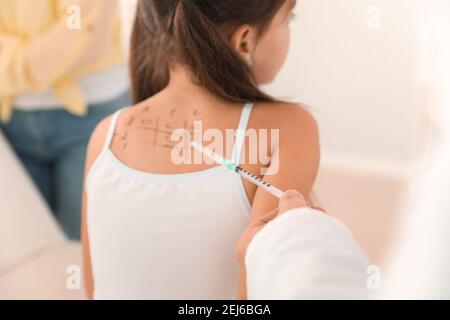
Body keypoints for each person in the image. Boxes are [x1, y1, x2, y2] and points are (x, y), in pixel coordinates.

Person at [82, 0, 320, 299]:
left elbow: (93, 291)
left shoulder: (106, 134)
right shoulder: (289, 128)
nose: (290, 27)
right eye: (289, 18)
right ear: (244, 40)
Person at [0, 0, 130, 239]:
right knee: (29, 244)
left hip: (90, 114)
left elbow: (84, 29)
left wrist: (14, 68)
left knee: (85, 242)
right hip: (12, 119)